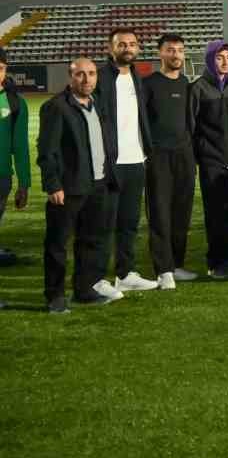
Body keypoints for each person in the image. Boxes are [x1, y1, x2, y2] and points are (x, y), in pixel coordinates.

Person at [38, 58, 119, 312]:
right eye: (80, 75)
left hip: (98, 185)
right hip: (69, 188)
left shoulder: (98, 105)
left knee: (91, 242)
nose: (87, 80)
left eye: (92, 74)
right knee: (58, 244)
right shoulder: (56, 107)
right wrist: (53, 185)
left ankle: (84, 290)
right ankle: (55, 296)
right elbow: (47, 151)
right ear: (70, 77)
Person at [95, 27, 157, 294]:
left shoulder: (137, 76)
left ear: (138, 48)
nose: (127, 48)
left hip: (136, 160)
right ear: (111, 49)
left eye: (132, 44)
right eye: (122, 45)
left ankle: (125, 273)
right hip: (110, 162)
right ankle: (96, 278)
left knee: (129, 222)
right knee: (103, 223)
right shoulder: (99, 77)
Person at [141, 33, 197, 289]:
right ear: (160, 53)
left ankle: (176, 264)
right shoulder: (149, 84)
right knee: (160, 213)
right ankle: (163, 270)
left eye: (180, 50)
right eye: (170, 50)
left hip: (184, 156)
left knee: (181, 212)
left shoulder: (186, 83)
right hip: (159, 157)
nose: (176, 55)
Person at [193, 40, 228, 279]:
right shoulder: (198, 88)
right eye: (219, 58)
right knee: (215, 212)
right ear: (210, 59)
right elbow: (191, 127)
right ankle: (215, 262)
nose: (225, 62)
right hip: (210, 158)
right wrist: (199, 155)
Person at [0, 47, 32, 270]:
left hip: (1, 176)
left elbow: (20, 146)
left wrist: (24, 184)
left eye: (0, 68)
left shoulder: (16, 102)